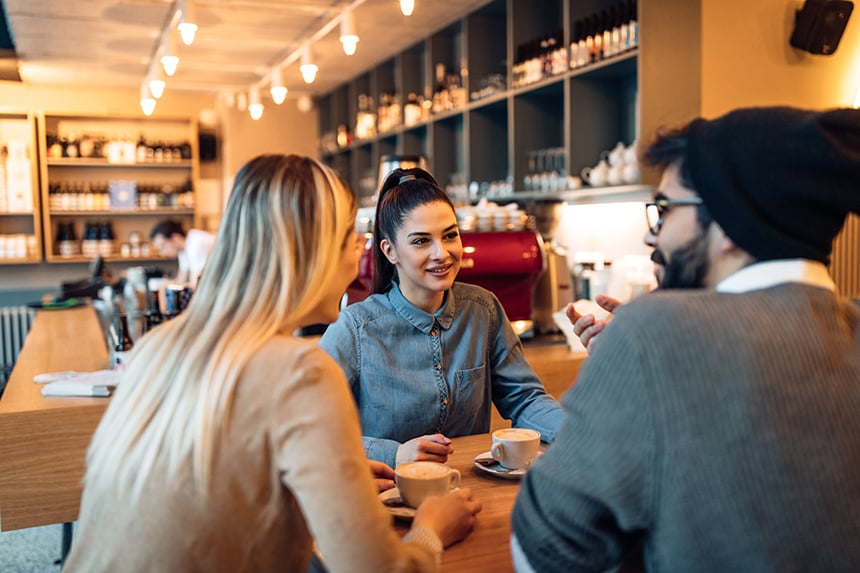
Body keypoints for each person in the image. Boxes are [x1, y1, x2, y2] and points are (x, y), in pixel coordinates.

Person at [63, 155, 481, 573]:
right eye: (347, 239)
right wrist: (430, 529)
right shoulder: (300, 372)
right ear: (311, 254)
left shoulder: (157, 347)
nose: (359, 254)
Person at [511, 106, 860, 572]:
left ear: (730, 225)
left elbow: (543, 547)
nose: (654, 236)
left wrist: (634, 355)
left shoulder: (651, 336)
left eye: (666, 209)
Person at [318, 168, 565, 469]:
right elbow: (312, 429)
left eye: (450, 235)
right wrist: (392, 454)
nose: (442, 253)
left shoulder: (483, 309)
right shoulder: (355, 328)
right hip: (388, 494)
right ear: (390, 251)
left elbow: (525, 400)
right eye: (421, 241)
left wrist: (579, 433)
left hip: (471, 488)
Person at [150, 219, 215, 288]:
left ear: (175, 238)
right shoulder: (183, 249)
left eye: (162, 246)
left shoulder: (195, 243)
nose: (162, 253)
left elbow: (195, 284)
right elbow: (181, 280)